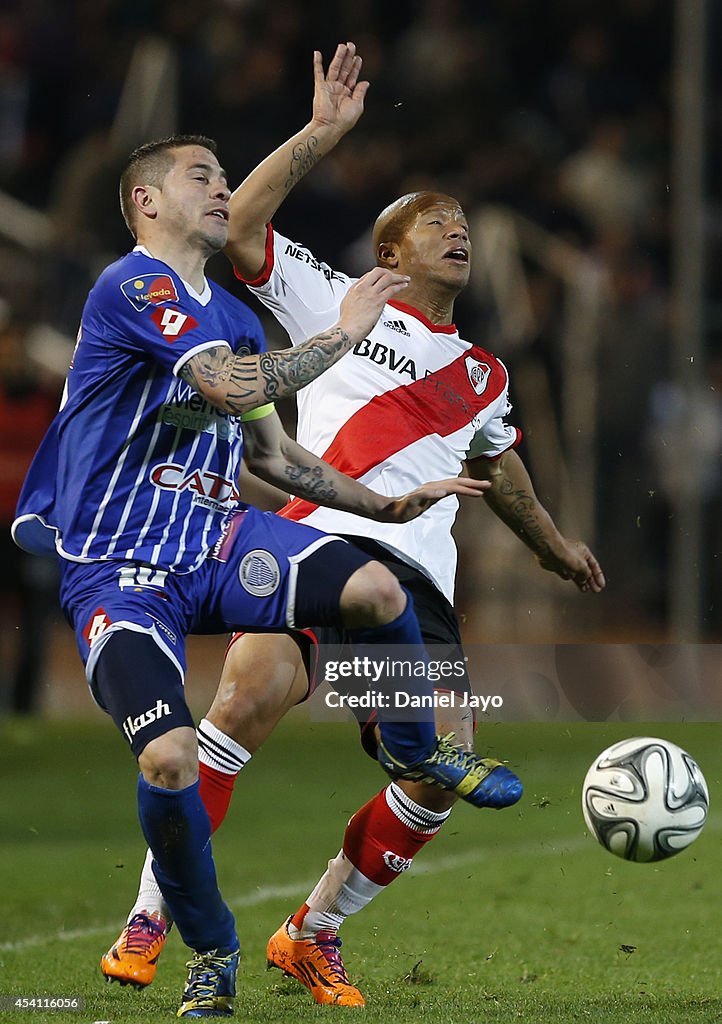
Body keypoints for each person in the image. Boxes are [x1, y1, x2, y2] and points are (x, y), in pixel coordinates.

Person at [99, 44, 604, 1008]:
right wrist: (323, 133)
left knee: (433, 778)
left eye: (463, 224)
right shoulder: (332, 294)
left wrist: (555, 548)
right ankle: (150, 916)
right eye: (433, 224)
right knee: (245, 699)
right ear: (388, 252)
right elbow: (240, 223)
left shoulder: (485, 375)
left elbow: (503, 472)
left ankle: (310, 931)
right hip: (316, 534)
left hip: (412, 575)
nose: (457, 233)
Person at [10, 128, 513, 1018]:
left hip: (219, 540)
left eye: (223, 176)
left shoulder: (249, 322)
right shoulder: (133, 284)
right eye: (201, 176)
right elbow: (232, 388)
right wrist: (344, 325)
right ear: (147, 202)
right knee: (173, 757)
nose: (221, 188)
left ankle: (389, 781)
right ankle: (193, 940)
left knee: (377, 590)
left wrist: (384, 509)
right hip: (124, 569)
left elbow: (276, 457)